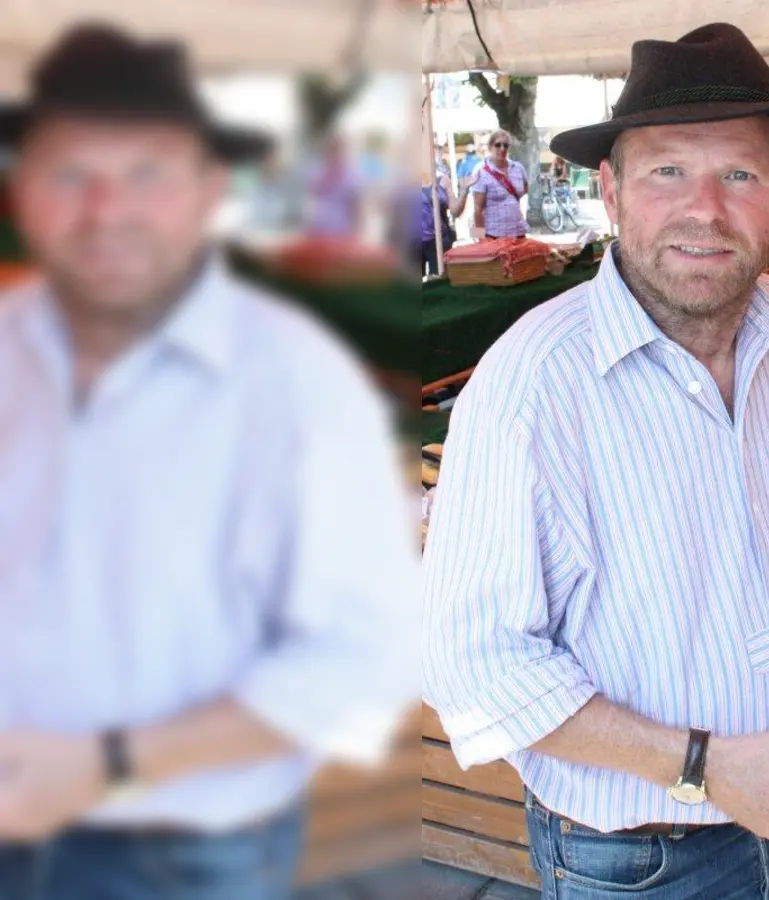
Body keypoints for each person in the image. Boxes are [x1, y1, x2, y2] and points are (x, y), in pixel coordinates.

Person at [423, 22, 769, 899]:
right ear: (612, 191)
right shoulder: (533, 388)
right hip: (645, 862)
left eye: (739, 173)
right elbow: (473, 665)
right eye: (668, 169)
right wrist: (706, 768)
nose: (705, 208)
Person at [0, 24, 418, 899]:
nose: (104, 207)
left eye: (146, 171)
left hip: (177, 852)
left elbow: (361, 655)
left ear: (209, 189)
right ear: (25, 192)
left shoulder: (297, 380)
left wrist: (104, 766)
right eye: (69, 172)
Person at [470, 128, 529, 240]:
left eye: (506, 145)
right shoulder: (481, 172)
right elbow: (477, 209)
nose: (502, 148)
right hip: (494, 235)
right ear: (490, 147)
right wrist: (480, 240)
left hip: (518, 232)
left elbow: (525, 188)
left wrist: (509, 200)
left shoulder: (518, 168)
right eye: (498, 145)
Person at [304, 131, 363, 237]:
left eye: (336, 149)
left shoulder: (351, 176)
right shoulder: (317, 172)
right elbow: (311, 201)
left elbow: (357, 208)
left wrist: (355, 234)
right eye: (330, 149)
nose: (333, 153)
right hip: (316, 231)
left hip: (340, 233)